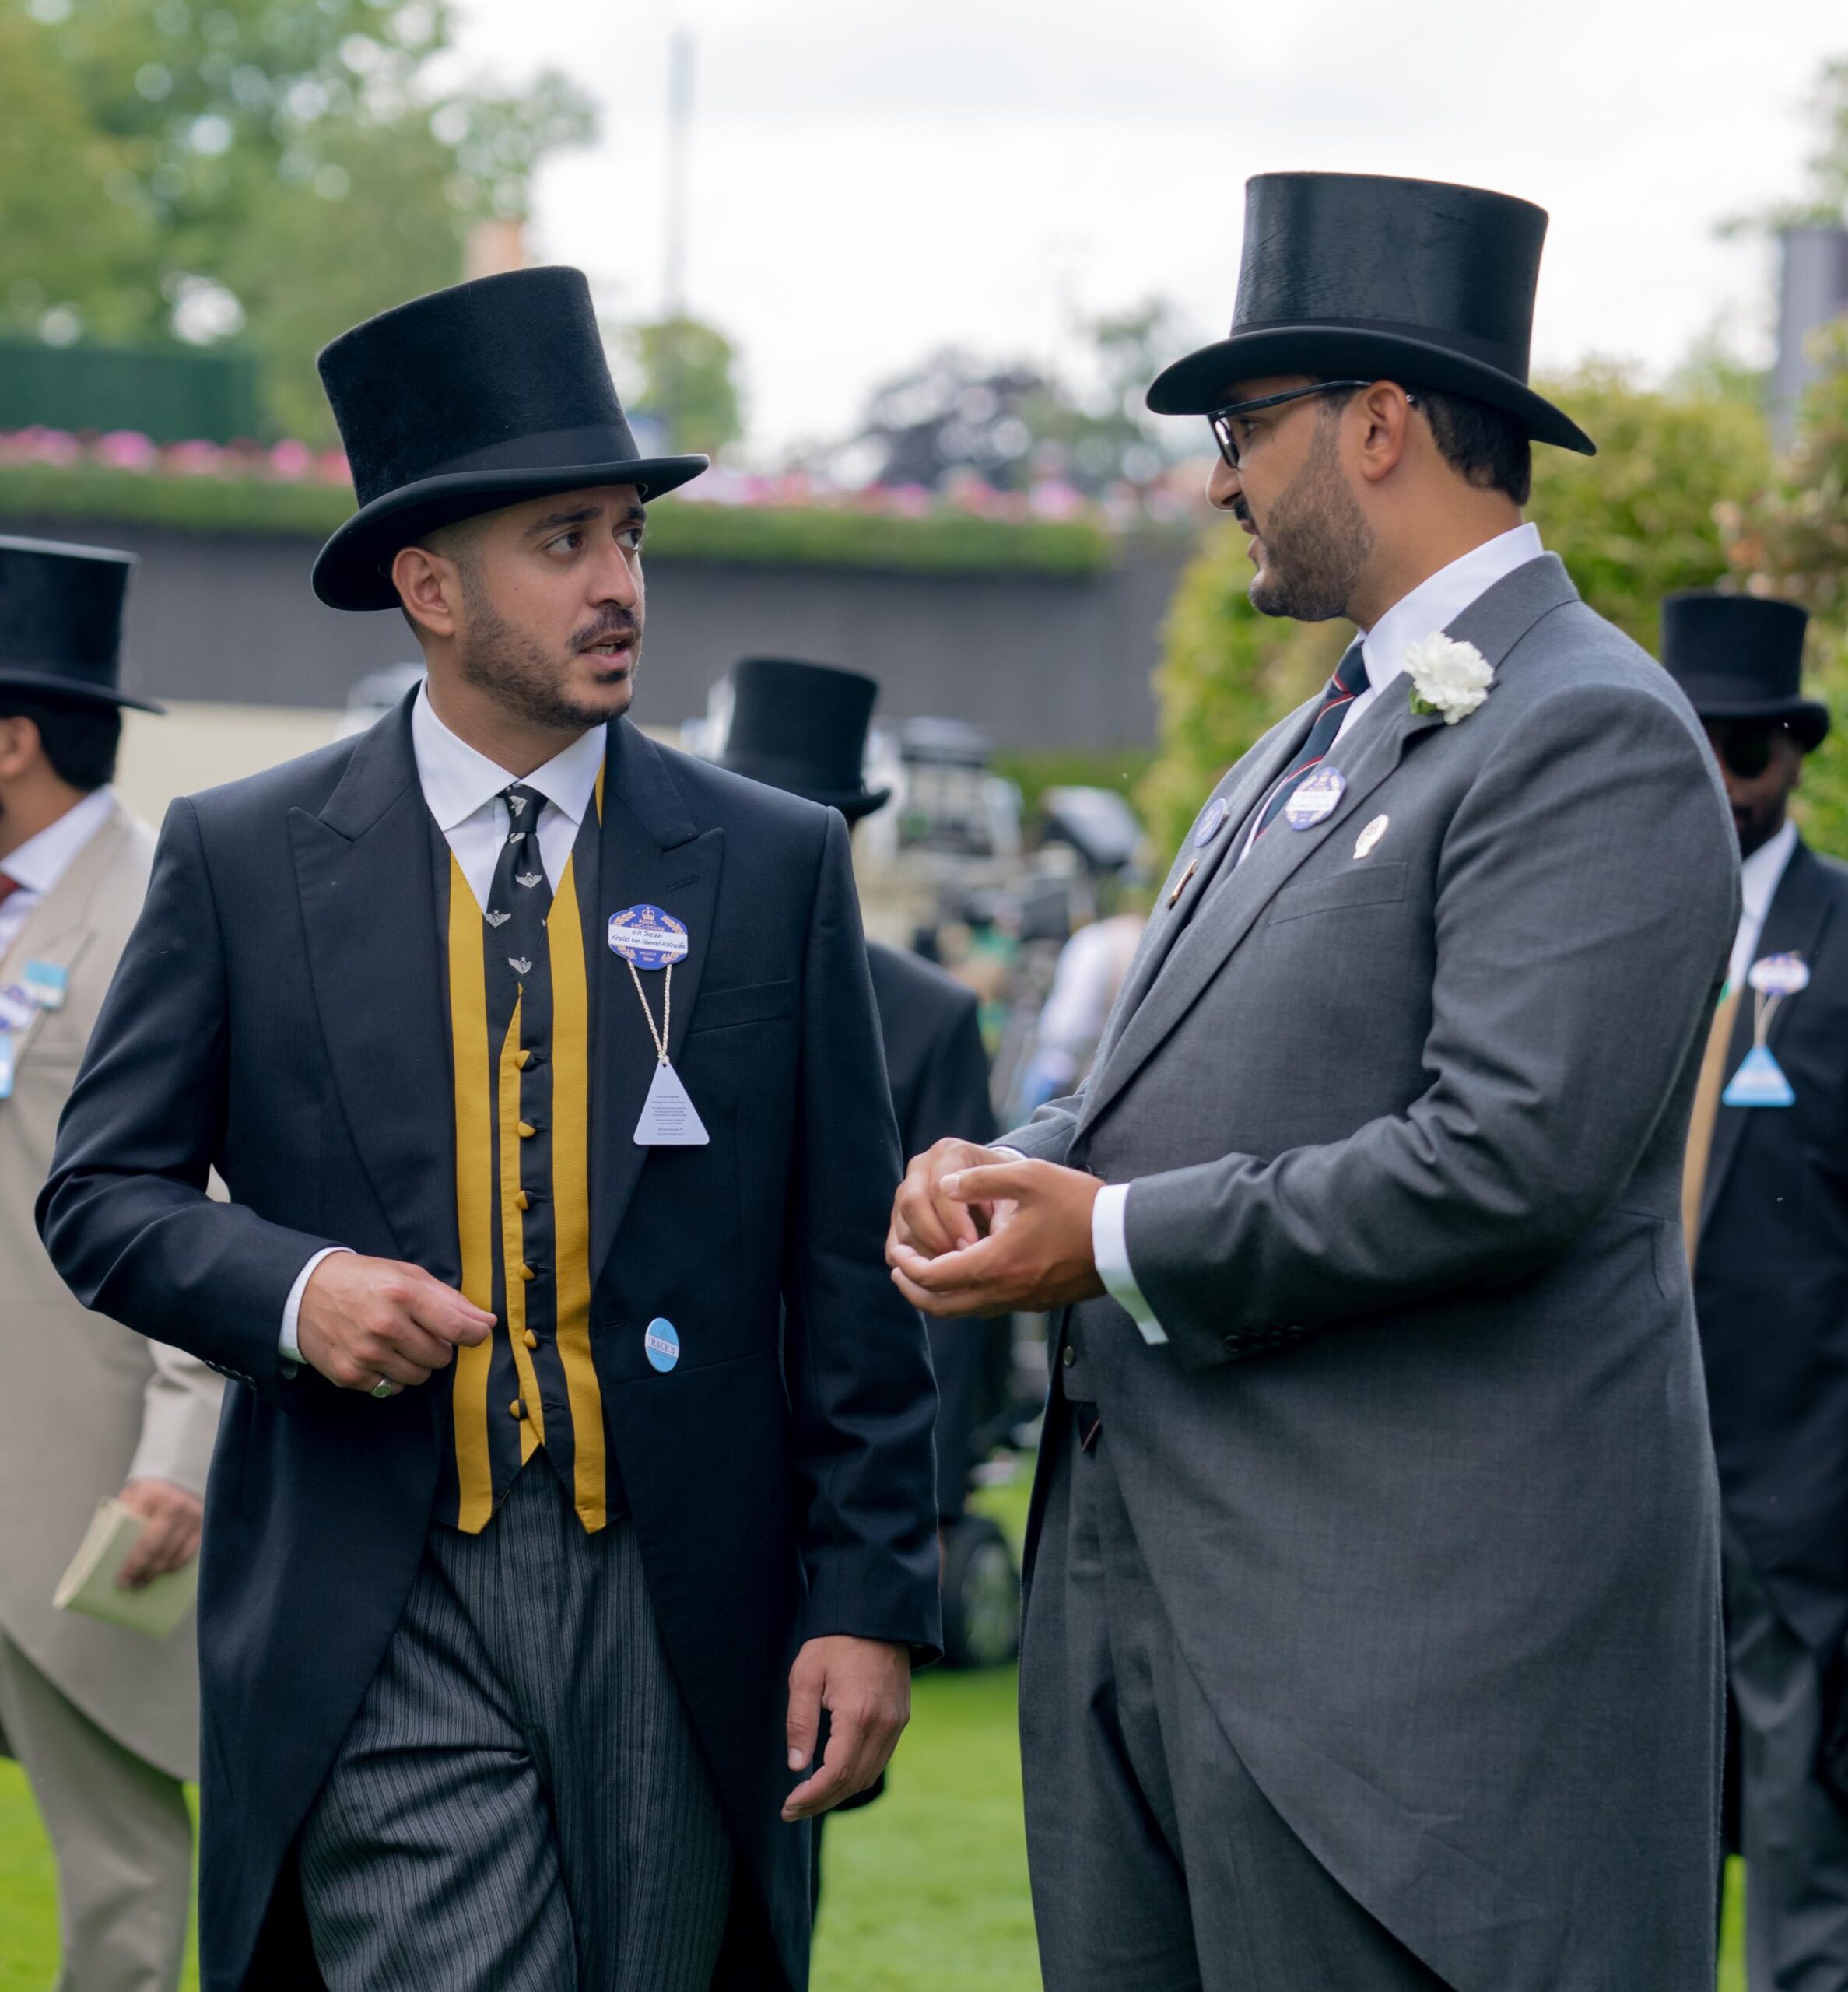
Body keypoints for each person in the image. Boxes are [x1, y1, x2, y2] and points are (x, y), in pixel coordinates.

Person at [39, 267, 939, 1992]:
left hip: (684, 1599)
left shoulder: (772, 860)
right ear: (430, 587)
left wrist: (865, 1595)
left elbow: (845, 1273)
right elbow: (103, 1193)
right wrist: (297, 1288)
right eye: (562, 541)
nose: (618, 585)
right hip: (379, 1594)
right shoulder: (241, 855)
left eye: (627, 537)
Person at [889, 172, 1738, 1991]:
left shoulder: (1589, 725)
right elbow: (1169, 1083)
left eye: (1240, 429)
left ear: (1375, 424)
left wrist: (1105, 1235)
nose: (1217, 483)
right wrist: (1005, 1163)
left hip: (1399, 1705)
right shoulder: (1295, 739)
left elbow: (1502, 1157)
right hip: (1159, 1632)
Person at [0, 535, 221, 1992]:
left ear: (12, 740)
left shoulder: (162, 903)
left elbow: (201, 1196)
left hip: (82, 1480)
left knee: (120, 1867)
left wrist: (178, 1456)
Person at [1667, 590, 1848, 1990]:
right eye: (1696, 744)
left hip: (1797, 1476)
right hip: (1616, 1464)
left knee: (1800, 1849)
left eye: (1748, 751)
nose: (1723, 780)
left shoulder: (1842, 929)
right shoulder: (1603, 920)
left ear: (1789, 754)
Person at [719, 654, 997, 1525]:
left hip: (851, 1429)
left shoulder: (928, 1014)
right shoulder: (661, 987)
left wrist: (929, 1498)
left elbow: (956, 1266)